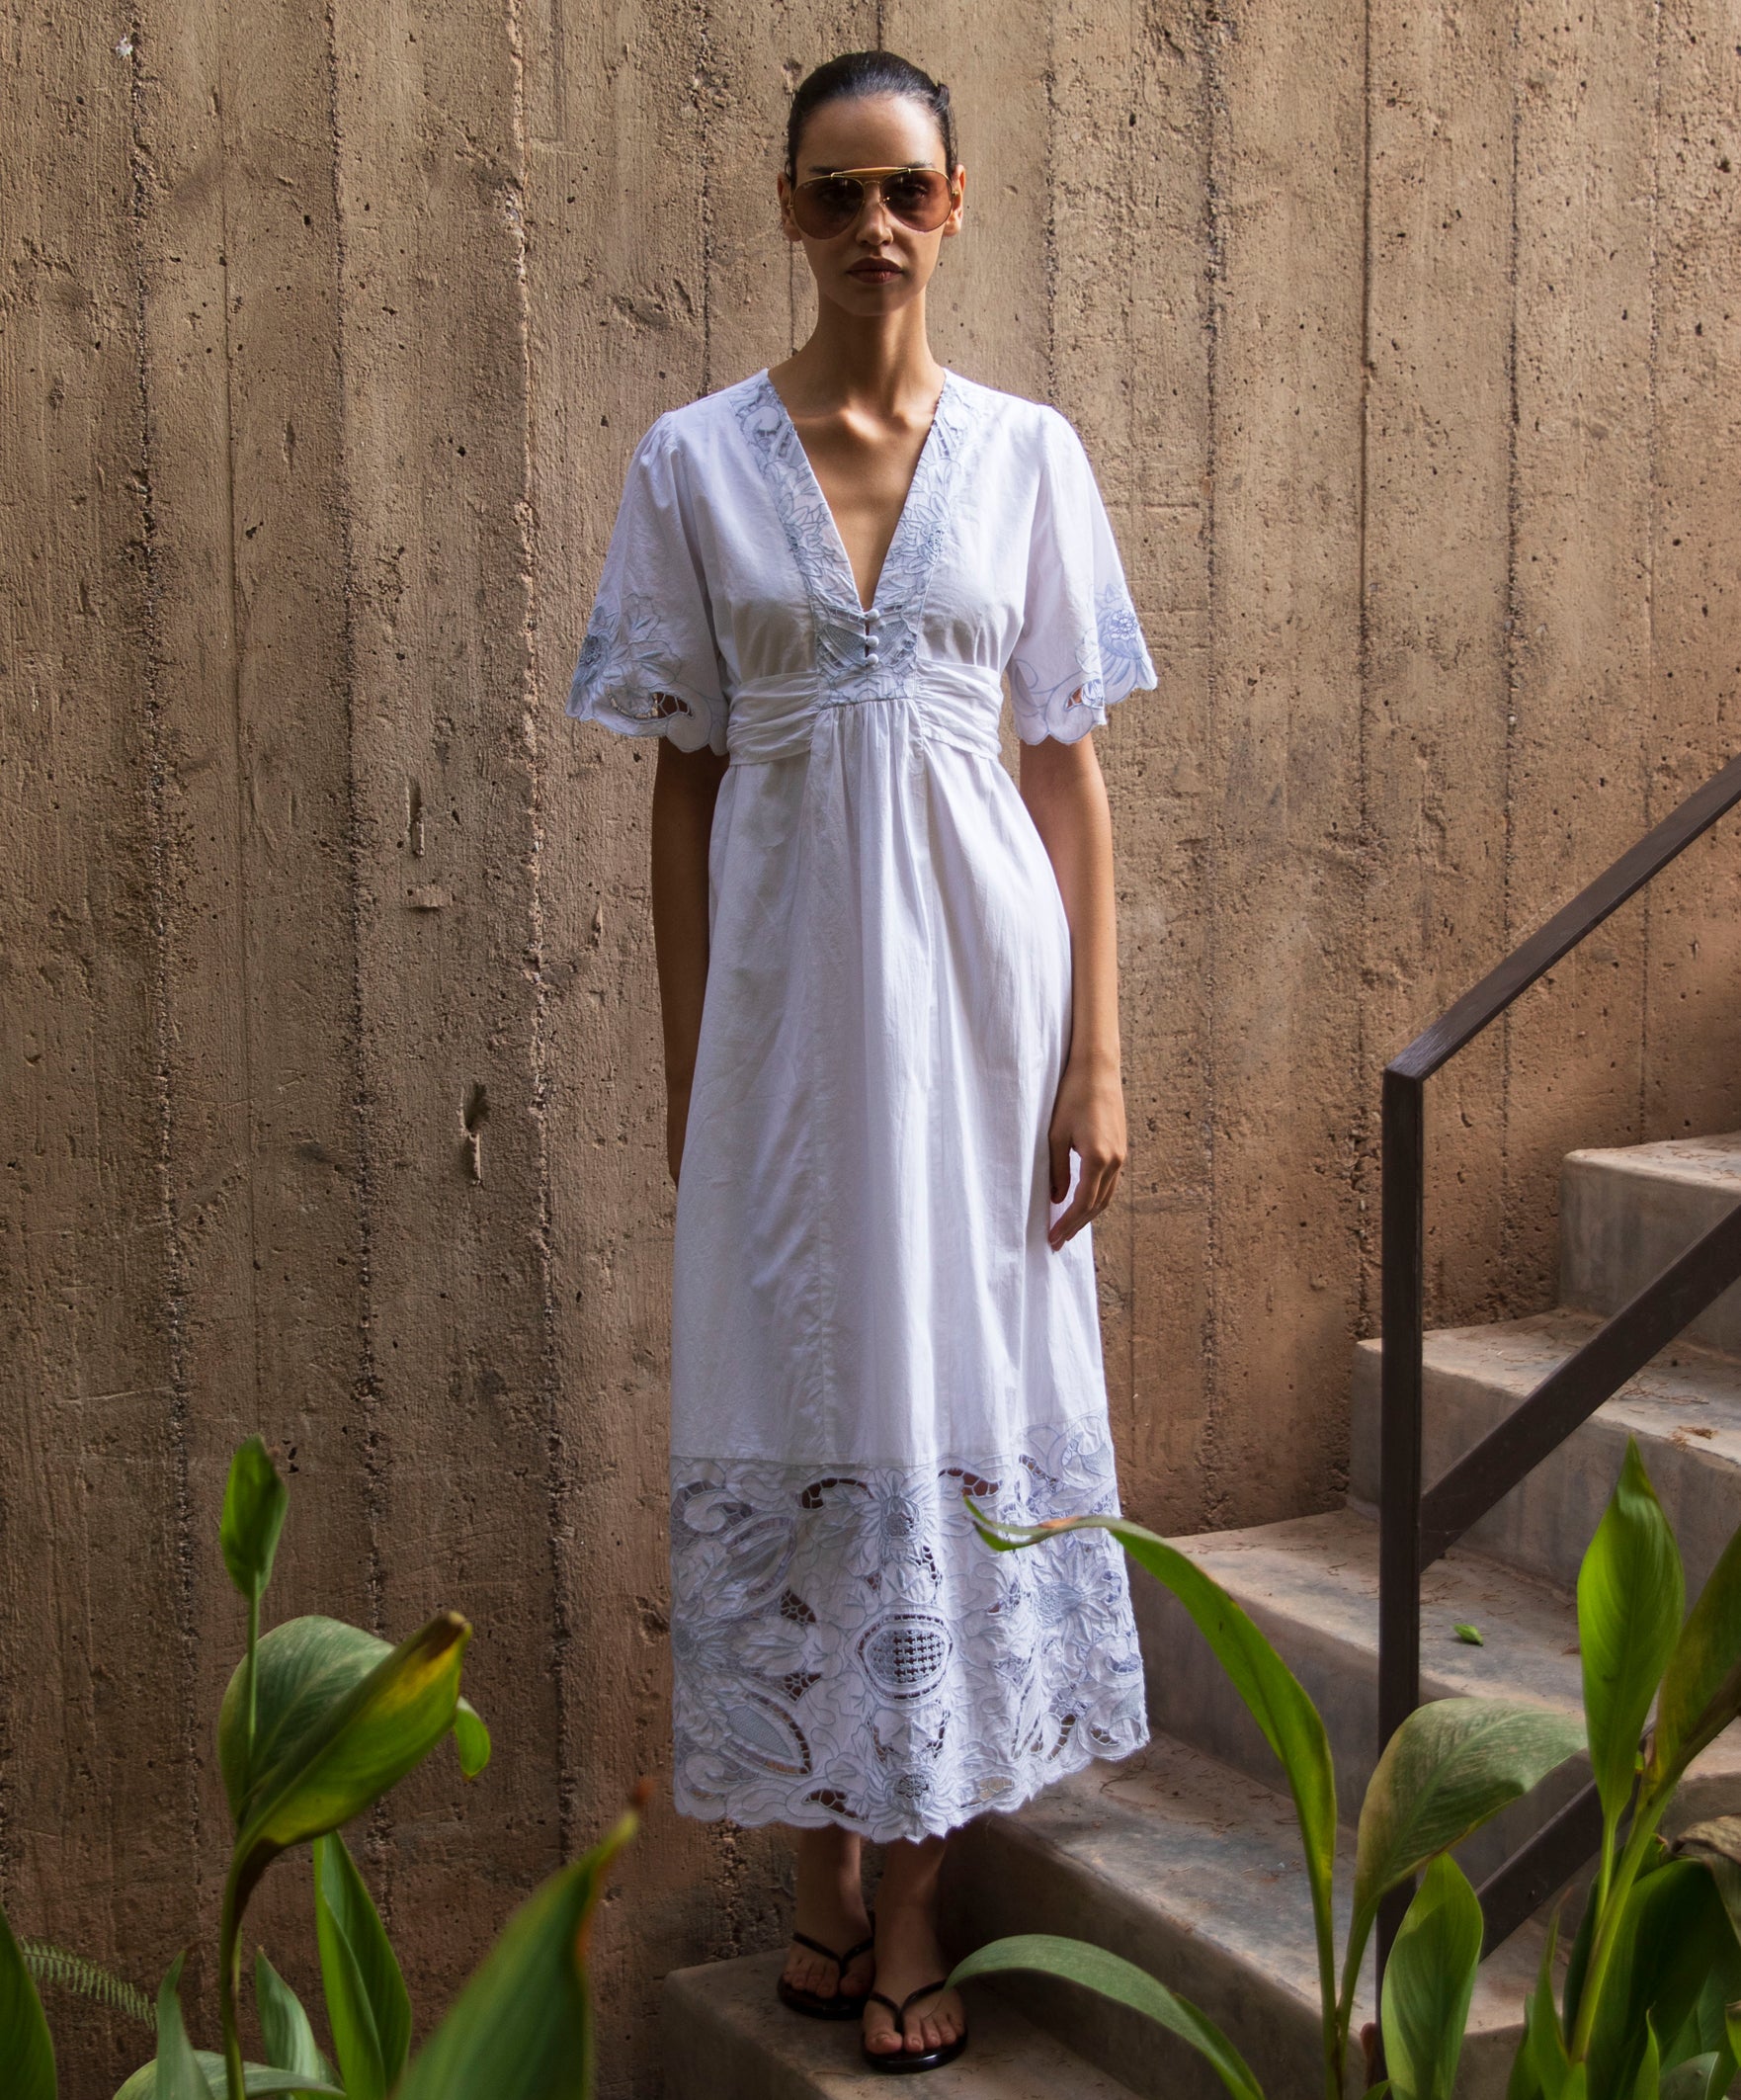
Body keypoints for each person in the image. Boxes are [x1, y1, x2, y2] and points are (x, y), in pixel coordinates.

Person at [567, 47, 1156, 2074]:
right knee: (809, 1392)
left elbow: (1064, 769)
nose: (870, 228)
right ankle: (824, 1861)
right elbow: (679, 785)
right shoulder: (690, 465)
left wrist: (1095, 1054)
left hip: (990, 1023)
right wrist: (686, 1071)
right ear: (788, 215)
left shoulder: (1029, 458)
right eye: (832, 195)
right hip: (788, 1045)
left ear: (955, 201)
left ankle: (904, 1895)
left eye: (901, 188)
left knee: (953, 1398)